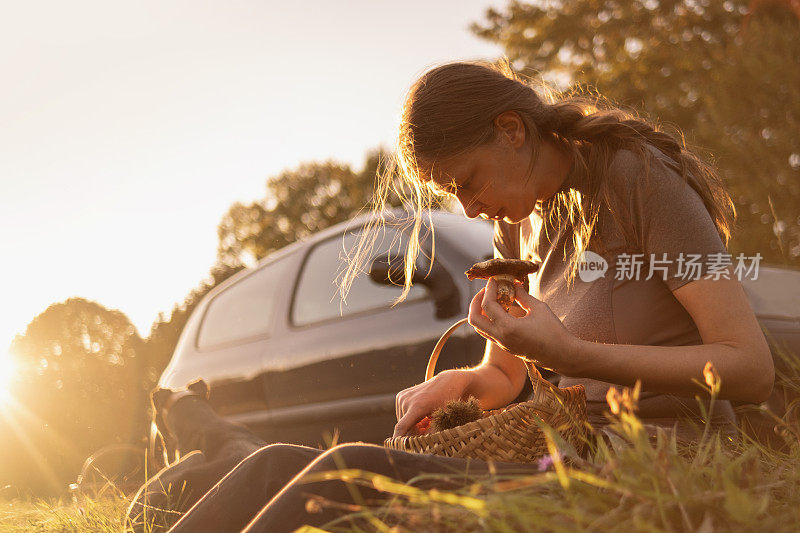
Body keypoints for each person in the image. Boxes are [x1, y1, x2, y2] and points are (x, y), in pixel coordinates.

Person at [169, 58, 775, 532]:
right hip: (561, 457)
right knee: (275, 462)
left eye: (468, 182)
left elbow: (750, 369)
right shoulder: (519, 222)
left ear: (512, 131)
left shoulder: (636, 179)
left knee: (341, 472)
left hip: (656, 467)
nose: (469, 208)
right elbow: (504, 377)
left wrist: (574, 356)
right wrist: (462, 382)